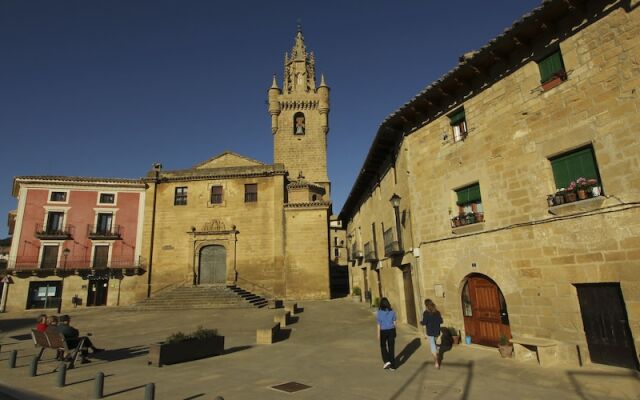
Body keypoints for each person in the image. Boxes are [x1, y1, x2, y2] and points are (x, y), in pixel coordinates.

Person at [421, 299, 443, 369]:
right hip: (437, 332)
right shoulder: (437, 312)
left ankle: (436, 362)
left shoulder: (426, 313)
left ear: (426, 305)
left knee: (433, 346)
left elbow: (424, 322)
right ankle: (436, 352)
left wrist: (421, 322)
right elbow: (441, 321)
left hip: (430, 332)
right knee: (434, 343)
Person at [376, 297, 397, 370]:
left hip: (383, 331)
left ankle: (386, 360)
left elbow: (379, 325)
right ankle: (393, 366)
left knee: (383, 346)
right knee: (391, 347)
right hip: (391, 330)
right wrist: (394, 331)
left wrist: (378, 334)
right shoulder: (392, 311)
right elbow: (394, 322)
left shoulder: (379, 312)